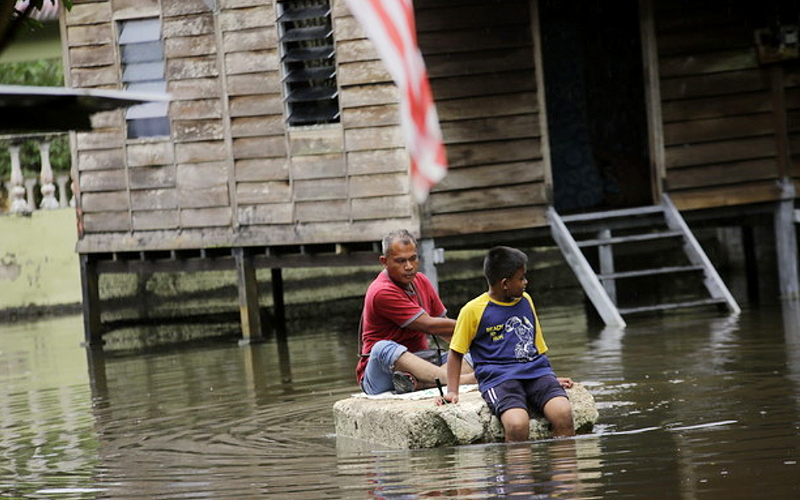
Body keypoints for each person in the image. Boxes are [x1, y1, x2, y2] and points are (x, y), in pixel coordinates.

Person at [437, 246, 575, 441]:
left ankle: (564, 469)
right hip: (499, 378)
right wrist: (452, 391)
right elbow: (456, 352)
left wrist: (550, 377)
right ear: (505, 283)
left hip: (536, 373)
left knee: (563, 414)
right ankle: (520, 471)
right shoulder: (473, 310)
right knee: (517, 424)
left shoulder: (526, 300)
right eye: (521, 278)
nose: (526, 283)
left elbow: (537, 346)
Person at [357, 229, 476, 395]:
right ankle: (455, 379)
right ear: (384, 261)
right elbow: (431, 326)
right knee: (382, 348)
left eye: (413, 259)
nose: (409, 267)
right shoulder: (381, 291)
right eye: (401, 261)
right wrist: (478, 326)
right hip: (383, 372)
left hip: (423, 363)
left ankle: (423, 383)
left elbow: (446, 330)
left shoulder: (421, 281)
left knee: (476, 355)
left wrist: (478, 345)